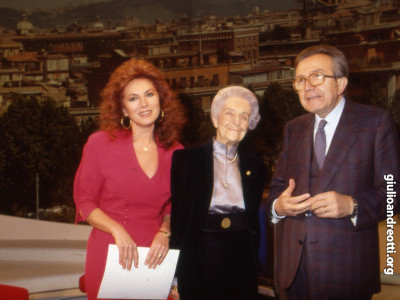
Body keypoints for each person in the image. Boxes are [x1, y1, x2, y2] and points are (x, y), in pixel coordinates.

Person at [267, 44, 400, 300]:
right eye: (300, 80)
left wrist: (353, 205)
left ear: (340, 84)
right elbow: (277, 188)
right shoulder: (293, 128)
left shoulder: (376, 123)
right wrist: (278, 207)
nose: (307, 86)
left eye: (317, 76)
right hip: (294, 271)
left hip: (346, 271)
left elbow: (394, 192)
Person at [74, 58, 185, 300]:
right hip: (110, 251)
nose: (144, 104)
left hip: (155, 255)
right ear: (123, 109)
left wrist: (164, 232)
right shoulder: (99, 144)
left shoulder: (177, 153)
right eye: (133, 98)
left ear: (160, 100)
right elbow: (85, 203)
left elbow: (174, 207)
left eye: (149, 95)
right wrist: (117, 230)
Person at [170, 86, 267, 300]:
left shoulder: (255, 164)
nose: (236, 121)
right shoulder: (186, 161)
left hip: (241, 259)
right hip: (199, 257)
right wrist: (175, 277)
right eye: (229, 113)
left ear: (249, 124)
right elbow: (179, 222)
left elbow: (252, 221)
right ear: (215, 119)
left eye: (244, 116)